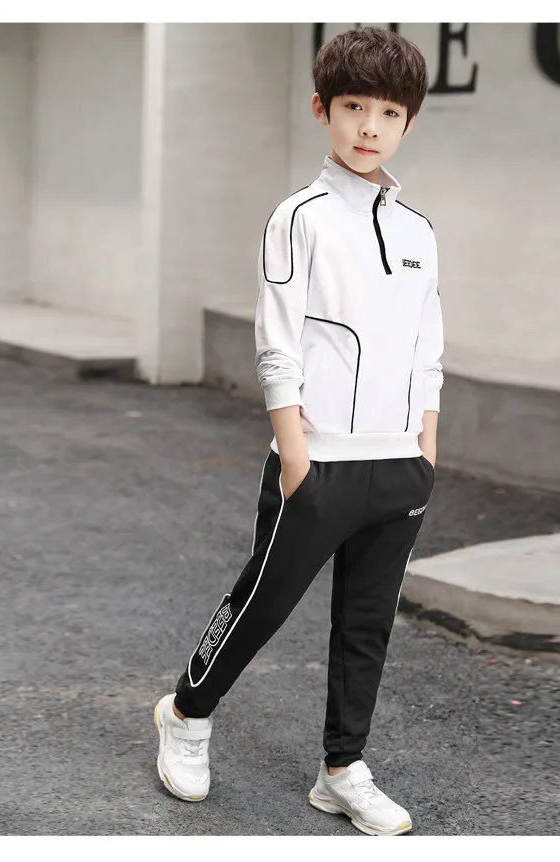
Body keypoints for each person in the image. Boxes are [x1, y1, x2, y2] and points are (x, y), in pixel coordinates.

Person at [154, 26, 443, 837]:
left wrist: (426, 448)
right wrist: (295, 457)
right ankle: (186, 712)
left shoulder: (419, 230)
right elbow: (277, 342)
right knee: (263, 604)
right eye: (354, 107)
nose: (369, 127)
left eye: (389, 113)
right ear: (323, 109)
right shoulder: (300, 217)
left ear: (408, 122)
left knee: (368, 625)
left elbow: (428, 345)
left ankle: (342, 770)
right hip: (318, 461)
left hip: (399, 464)